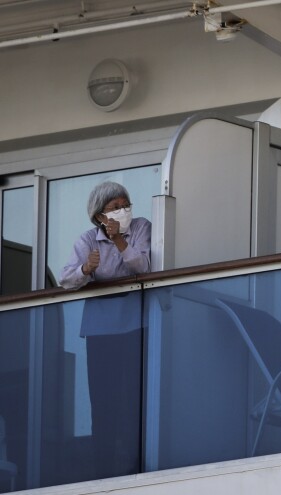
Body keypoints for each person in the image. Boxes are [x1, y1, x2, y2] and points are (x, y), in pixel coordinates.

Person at [59, 181, 151, 477]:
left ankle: (136, 464)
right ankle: (104, 470)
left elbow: (146, 267)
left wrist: (120, 242)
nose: (123, 211)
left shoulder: (140, 227)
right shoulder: (87, 239)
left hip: (135, 322)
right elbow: (66, 280)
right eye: (114, 207)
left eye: (125, 205)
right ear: (99, 216)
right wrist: (86, 269)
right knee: (103, 401)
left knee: (134, 398)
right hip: (100, 329)